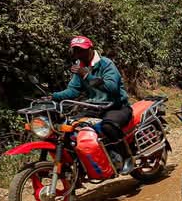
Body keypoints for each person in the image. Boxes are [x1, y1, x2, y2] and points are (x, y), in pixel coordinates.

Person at [52, 35, 135, 174]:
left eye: (82, 50)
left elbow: (111, 87)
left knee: (108, 126)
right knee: (69, 127)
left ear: (91, 49)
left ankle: (126, 157)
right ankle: (81, 164)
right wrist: (54, 96)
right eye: (76, 51)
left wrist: (87, 76)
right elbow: (73, 90)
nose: (79, 54)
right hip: (94, 107)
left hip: (116, 106)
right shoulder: (80, 67)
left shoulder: (105, 63)